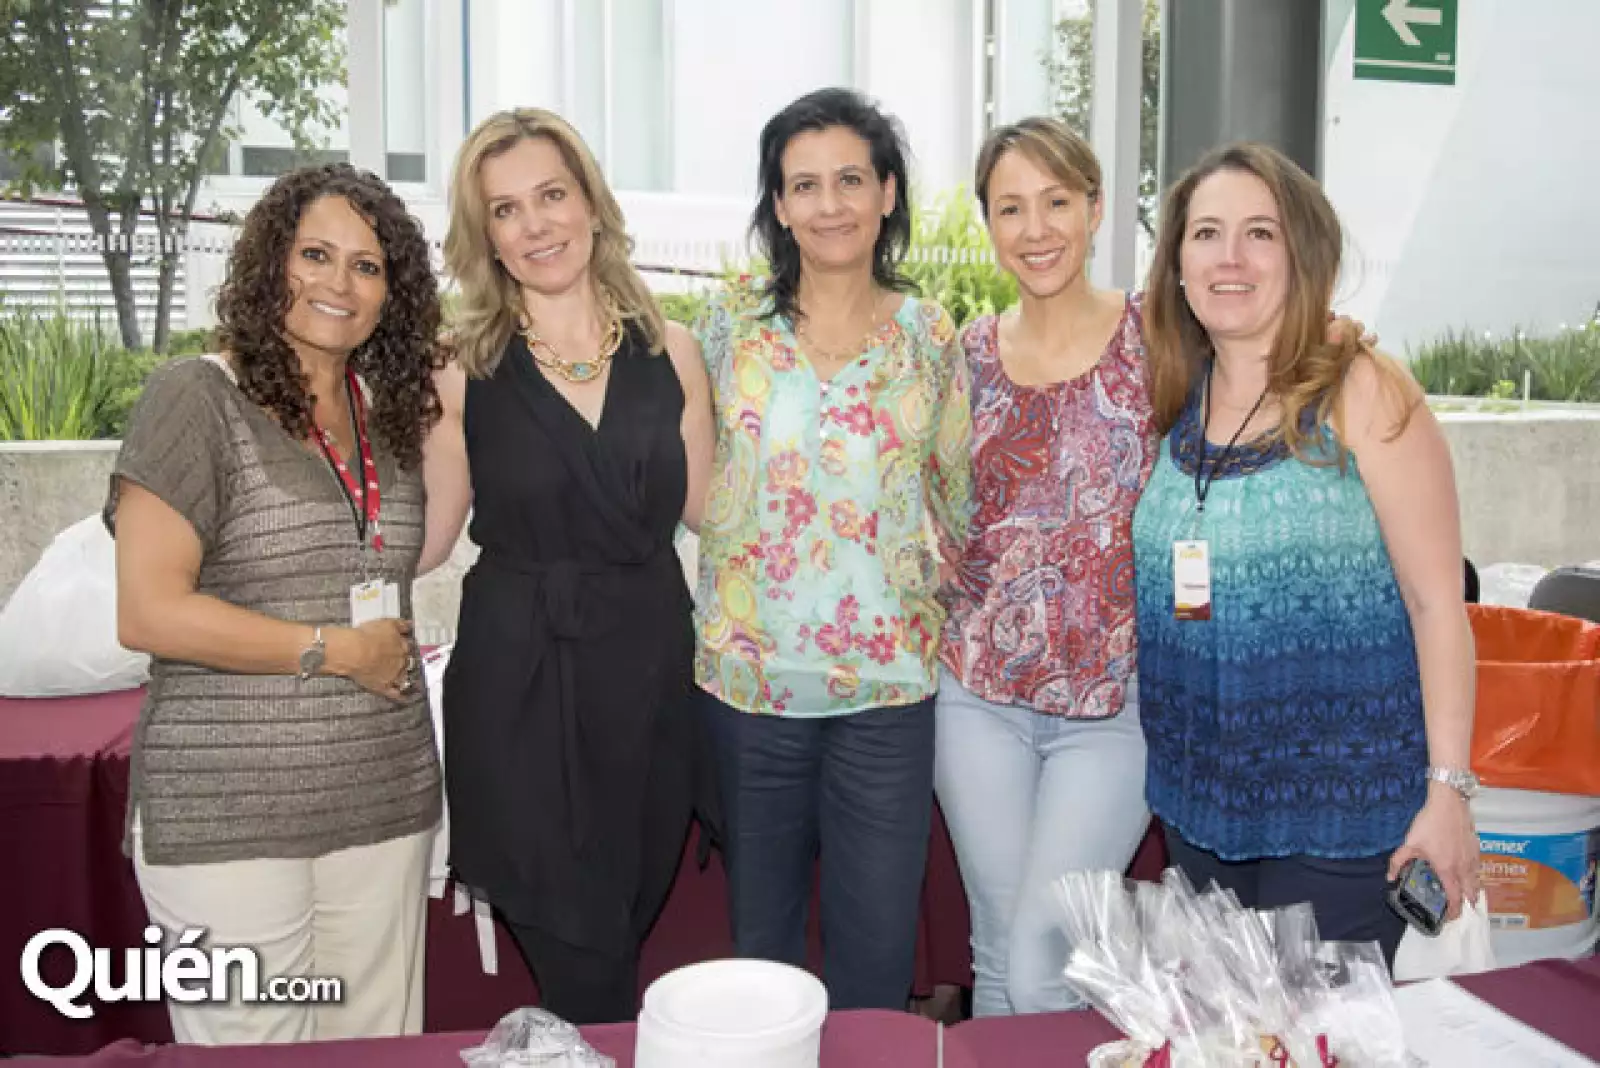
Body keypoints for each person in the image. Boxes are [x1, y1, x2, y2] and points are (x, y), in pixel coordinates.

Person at [108, 163, 443, 1044]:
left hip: (382, 797)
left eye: (367, 267)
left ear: (391, 294)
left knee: (378, 1049)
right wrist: (336, 649)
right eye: (317, 254)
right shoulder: (196, 397)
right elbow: (148, 610)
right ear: (270, 266)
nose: (340, 283)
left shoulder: (390, 411)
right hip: (229, 813)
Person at [1133, 142, 1480, 965]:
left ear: (1303, 255)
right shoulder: (1177, 398)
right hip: (1199, 808)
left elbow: (1439, 605)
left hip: (1342, 814)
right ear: (1177, 262)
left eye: (1261, 233)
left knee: (1328, 1042)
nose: (1230, 257)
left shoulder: (1363, 390)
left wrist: (1449, 793)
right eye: (1206, 233)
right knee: (1230, 1040)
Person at [421, 107, 715, 1025]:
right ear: (487, 238)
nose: (536, 223)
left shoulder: (674, 351)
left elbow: (720, 513)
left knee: (619, 941)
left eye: (551, 194)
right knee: (584, 965)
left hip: (653, 685)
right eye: (506, 210)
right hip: (519, 690)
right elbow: (424, 539)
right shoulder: (457, 368)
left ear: (591, 202)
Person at [692, 87, 973, 1012]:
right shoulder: (726, 326)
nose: (829, 204)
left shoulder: (931, 337)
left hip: (888, 692)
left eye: (851, 179)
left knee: (875, 955)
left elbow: (958, 499)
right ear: (777, 205)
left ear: (888, 193)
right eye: (803, 184)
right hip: (752, 684)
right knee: (761, 953)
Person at [935, 117, 1152, 1017]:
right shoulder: (969, 353)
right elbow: (939, 506)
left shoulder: (1160, 340)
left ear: (1095, 208)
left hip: (1114, 707)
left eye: (1056, 201)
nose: (1035, 229)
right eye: (1010, 208)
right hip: (977, 694)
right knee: (994, 951)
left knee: (1042, 958)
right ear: (987, 223)